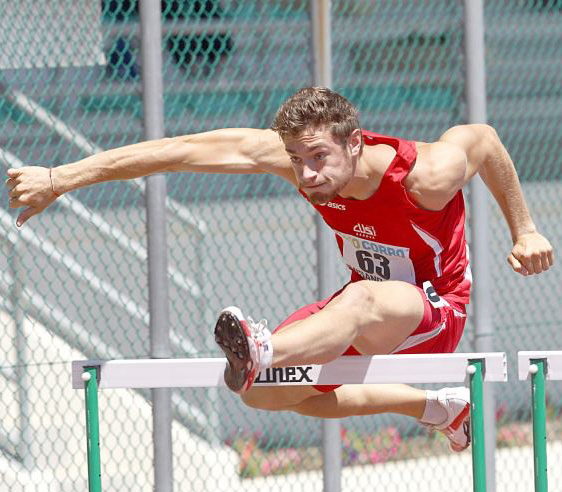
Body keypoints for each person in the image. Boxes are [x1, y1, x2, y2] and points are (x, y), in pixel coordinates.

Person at [5, 87, 553, 452]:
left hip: (434, 312)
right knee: (262, 392)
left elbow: (485, 140)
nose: (307, 175)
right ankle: (435, 407)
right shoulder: (298, 163)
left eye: (318, 158)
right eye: (296, 160)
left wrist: (525, 229)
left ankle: (263, 348)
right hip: (361, 308)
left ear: (354, 142)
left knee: (360, 301)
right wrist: (62, 178)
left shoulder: (425, 175)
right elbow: (180, 150)